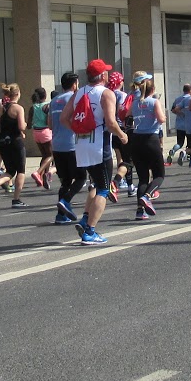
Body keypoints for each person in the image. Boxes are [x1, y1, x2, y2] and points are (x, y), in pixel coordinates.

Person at [60, 59, 130, 245]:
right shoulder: (106, 93)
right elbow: (111, 123)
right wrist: (122, 135)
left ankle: (85, 220)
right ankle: (90, 232)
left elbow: (63, 118)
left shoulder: (79, 92)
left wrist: (78, 130)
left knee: (95, 184)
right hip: (100, 146)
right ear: (103, 75)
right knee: (104, 189)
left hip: (81, 145)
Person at [126, 73, 166, 219]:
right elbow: (161, 119)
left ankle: (139, 211)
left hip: (137, 139)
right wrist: (163, 117)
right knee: (159, 175)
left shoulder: (135, 103)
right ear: (152, 90)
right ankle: (147, 196)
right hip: (151, 139)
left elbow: (128, 116)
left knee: (143, 178)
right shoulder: (154, 102)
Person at [0, 83, 28, 207]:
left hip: (3, 143)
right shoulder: (18, 108)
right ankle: (16, 199)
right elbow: (21, 126)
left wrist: (0, 115)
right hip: (16, 141)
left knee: (10, 170)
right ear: (17, 94)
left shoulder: (2, 109)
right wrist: (25, 125)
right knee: (20, 170)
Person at [50, 72, 82, 226]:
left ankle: (60, 215)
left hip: (57, 145)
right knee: (81, 177)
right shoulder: (75, 98)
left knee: (65, 181)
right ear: (74, 84)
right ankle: (65, 201)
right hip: (72, 144)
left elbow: (50, 124)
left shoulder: (54, 101)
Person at [30, 86, 55, 188]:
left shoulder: (33, 107)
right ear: (45, 95)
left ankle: (42, 177)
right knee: (51, 155)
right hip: (45, 131)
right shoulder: (47, 106)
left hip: (36, 132)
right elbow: (48, 121)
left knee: (44, 155)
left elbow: (29, 124)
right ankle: (38, 172)